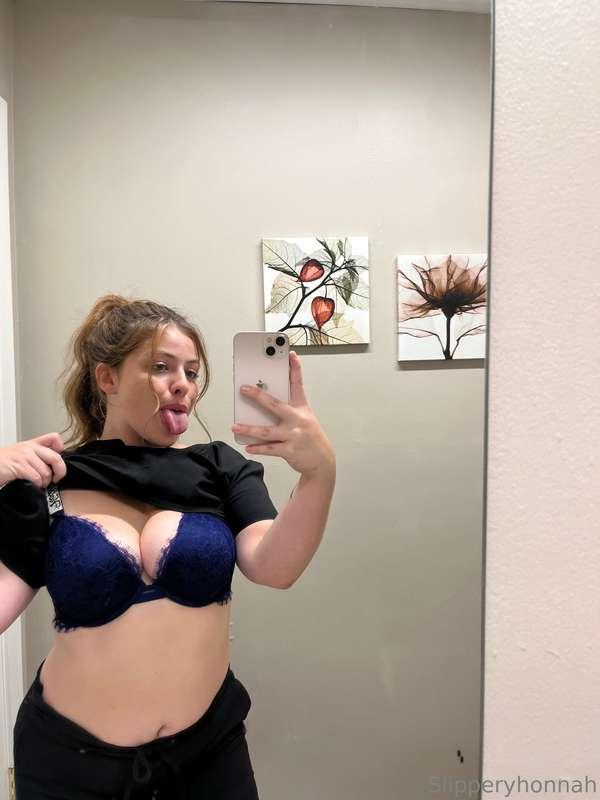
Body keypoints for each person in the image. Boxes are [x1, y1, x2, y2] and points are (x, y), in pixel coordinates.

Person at [0, 295, 336, 799]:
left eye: (192, 372)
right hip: (69, 766)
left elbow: (275, 567)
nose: (183, 384)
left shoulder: (220, 468)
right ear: (107, 378)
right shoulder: (50, 479)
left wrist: (319, 473)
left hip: (208, 756)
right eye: (161, 367)